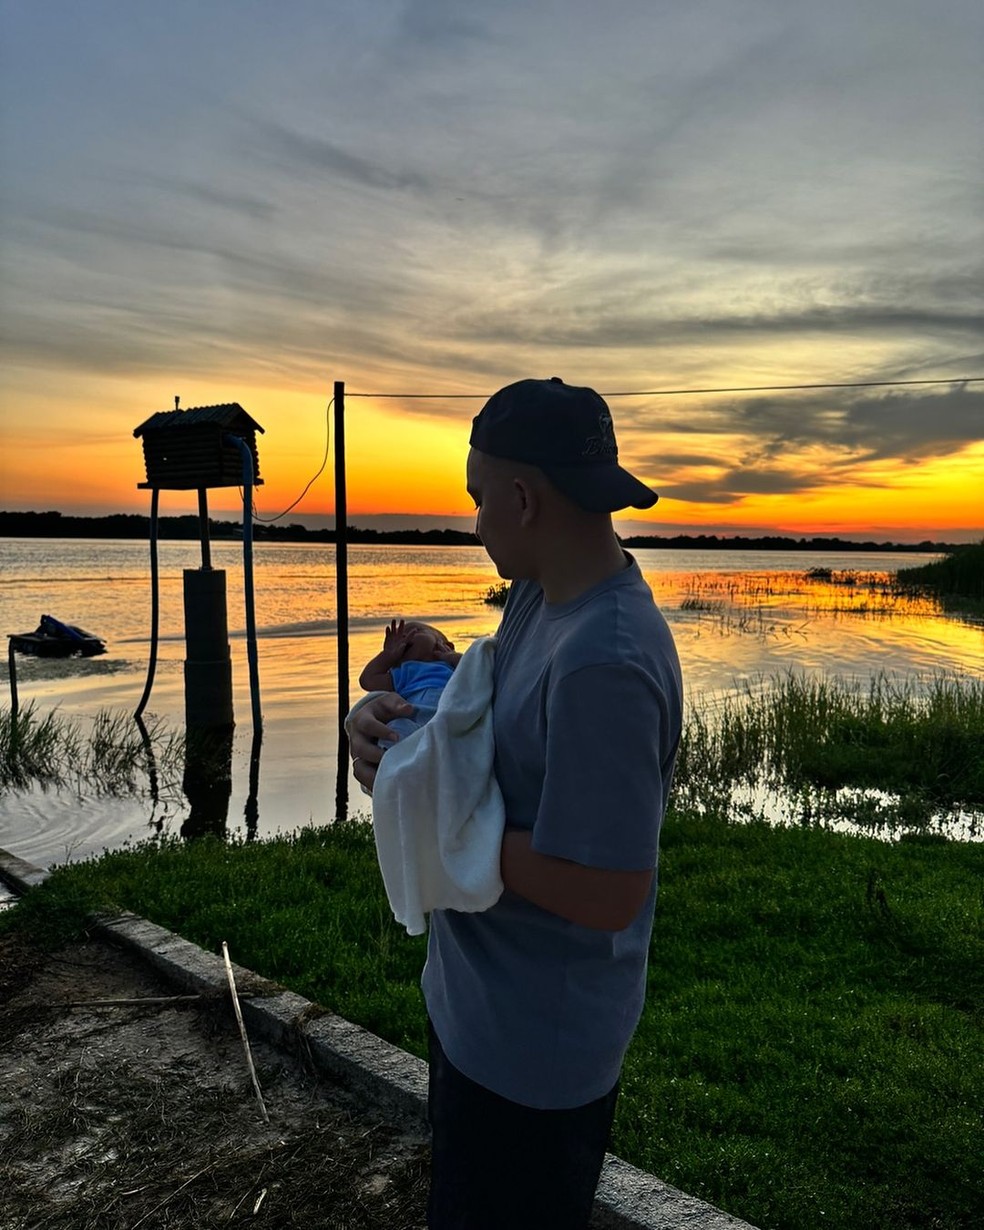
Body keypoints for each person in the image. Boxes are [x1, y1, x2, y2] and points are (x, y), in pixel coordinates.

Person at [349, 376, 683, 1230]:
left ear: (524, 497)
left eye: (478, 497)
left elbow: (609, 891)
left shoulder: (606, 660)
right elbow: (500, 716)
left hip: (535, 1058)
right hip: (477, 1012)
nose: (474, 521)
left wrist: (430, 814)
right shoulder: (544, 597)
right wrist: (412, 693)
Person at [358, 619, 462, 743]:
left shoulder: (453, 667)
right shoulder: (404, 672)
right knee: (396, 728)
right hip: (416, 720)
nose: (404, 637)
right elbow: (367, 680)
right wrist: (387, 656)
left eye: (416, 630)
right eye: (402, 635)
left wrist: (453, 657)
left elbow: (477, 671)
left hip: (453, 716)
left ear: (445, 646)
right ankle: (394, 757)